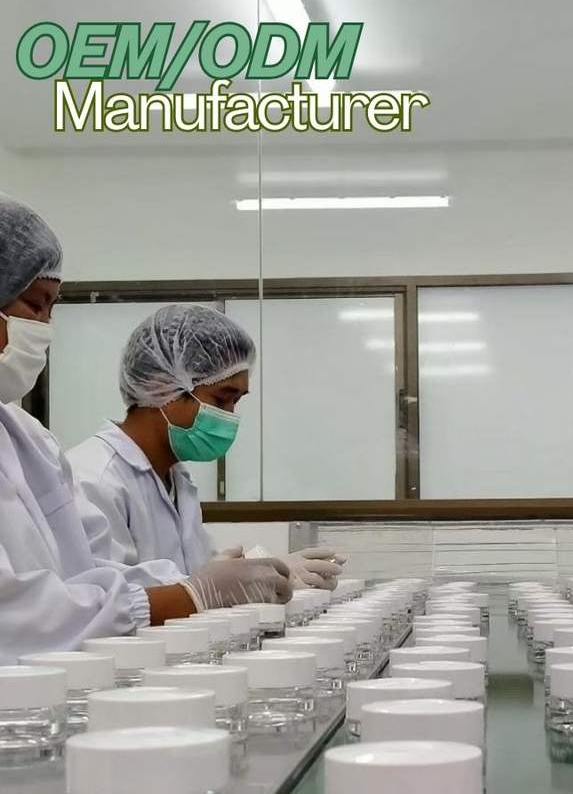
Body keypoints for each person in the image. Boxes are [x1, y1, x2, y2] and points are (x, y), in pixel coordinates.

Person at [0, 193, 292, 663]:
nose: (45, 329)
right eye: (36, 306)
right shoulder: (96, 476)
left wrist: (228, 579)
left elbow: (86, 575)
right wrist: (194, 593)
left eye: (52, 310)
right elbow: (20, 618)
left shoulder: (28, 439)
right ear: (167, 388)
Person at [67, 304, 343, 588]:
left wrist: (267, 570)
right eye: (221, 399)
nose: (229, 416)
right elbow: (106, 595)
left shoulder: (176, 480)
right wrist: (229, 584)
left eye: (236, 402)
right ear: (163, 386)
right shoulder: (93, 480)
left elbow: (198, 575)